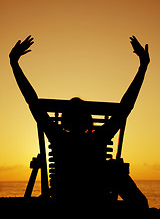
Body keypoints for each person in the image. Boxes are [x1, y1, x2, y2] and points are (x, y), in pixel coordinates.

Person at [9, 35, 150, 208]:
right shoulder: (99, 138)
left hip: (65, 200)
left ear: (63, 121)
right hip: (97, 201)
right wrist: (143, 67)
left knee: (113, 168)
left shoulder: (57, 137)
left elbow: (32, 101)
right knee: (116, 172)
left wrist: (14, 64)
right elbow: (126, 107)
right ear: (89, 120)